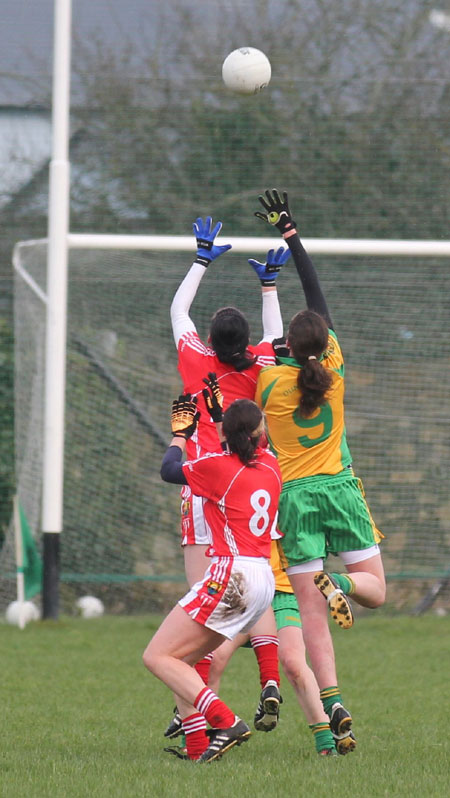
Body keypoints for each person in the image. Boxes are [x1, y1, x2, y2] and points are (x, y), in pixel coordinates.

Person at [254, 189, 386, 755]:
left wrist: (267, 286)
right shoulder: (332, 372)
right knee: (377, 592)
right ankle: (346, 585)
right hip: (340, 489)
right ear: (324, 344)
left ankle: (332, 700)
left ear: (286, 348)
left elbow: (274, 341)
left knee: (310, 613)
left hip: (297, 500)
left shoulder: (271, 386)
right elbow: (316, 298)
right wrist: (293, 234)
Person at [165, 216, 290, 739]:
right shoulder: (259, 365)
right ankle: (264, 677)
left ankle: (196, 721)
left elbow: (177, 311)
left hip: (205, 484)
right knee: (252, 584)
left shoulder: (196, 359)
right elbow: (277, 338)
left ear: (210, 339)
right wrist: (269, 287)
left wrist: (201, 260)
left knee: (202, 606)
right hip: (255, 484)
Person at [143, 391, 282, 762]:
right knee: (183, 661)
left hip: (230, 575)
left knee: (156, 656)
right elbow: (235, 454)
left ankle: (225, 721)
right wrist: (222, 417)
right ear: (257, 435)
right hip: (261, 581)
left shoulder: (217, 468)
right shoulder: (271, 464)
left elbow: (169, 470)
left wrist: (182, 434)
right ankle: (198, 747)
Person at [208, 538, 337, 756]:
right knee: (212, 659)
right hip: (245, 587)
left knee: (293, 662)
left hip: (284, 593)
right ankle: (193, 738)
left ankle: (327, 743)